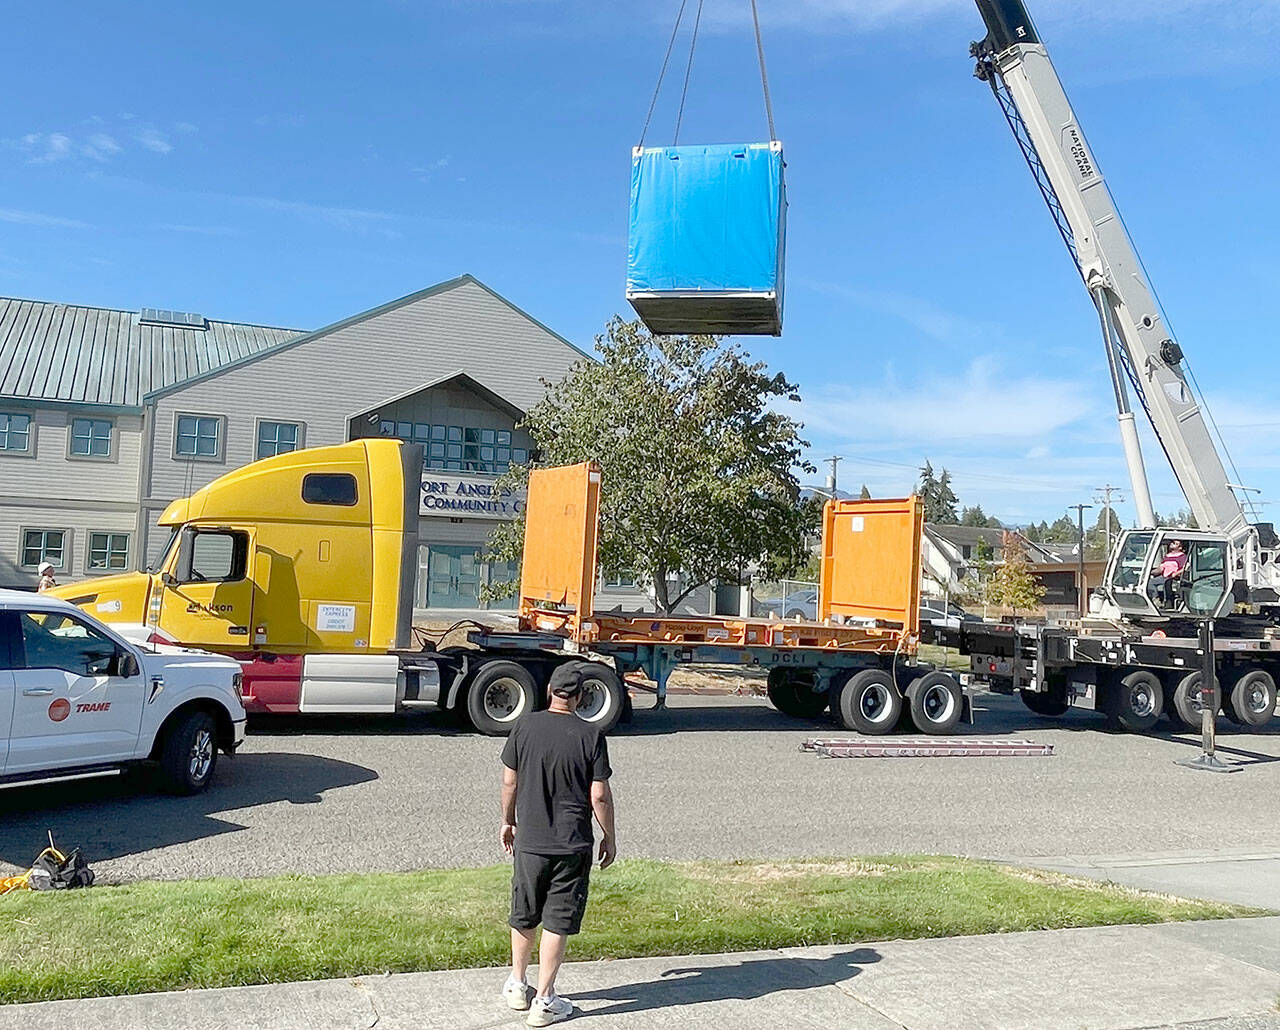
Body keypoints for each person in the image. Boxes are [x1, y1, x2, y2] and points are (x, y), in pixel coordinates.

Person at [499, 664, 616, 1027]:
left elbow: (509, 782)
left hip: (530, 842)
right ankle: (546, 999)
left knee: (524, 913)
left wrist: (508, 820)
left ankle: (518, 984)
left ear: (550, 689)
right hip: (571, 844)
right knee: (557, 921)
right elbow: (599, 795)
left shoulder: (525, 726)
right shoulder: (591, 734)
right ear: (581, 696)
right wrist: (609, 835)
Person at [1148, 538, 1188, 608]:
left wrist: (1175, 573)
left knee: (1167, 583)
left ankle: (1167, 603)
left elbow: (1185, 568)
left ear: (1180, 547)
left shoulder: (1182, 557)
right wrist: (1150, 572)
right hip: (1164, 576)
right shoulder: (1167, 556)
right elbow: (1161, 568)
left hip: (1173, 578)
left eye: (1175, 543)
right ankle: (1156, 599)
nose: (1172, 544)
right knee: (1150, 582)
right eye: (1172, 542)